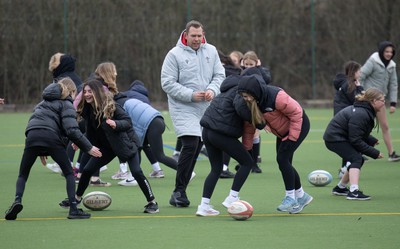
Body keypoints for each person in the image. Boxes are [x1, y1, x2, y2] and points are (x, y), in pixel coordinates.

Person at [4, 78, 102, 220]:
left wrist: (40, 150)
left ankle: (17, 200)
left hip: (32, 137)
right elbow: (72, 130)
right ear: (71, 91)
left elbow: (34, 122)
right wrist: (88, 147)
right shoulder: (66, 103)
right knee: (69, 173)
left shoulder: (41, 103)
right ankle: (73, 209)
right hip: (51, 138)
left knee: (23, 174)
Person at [60, 79, 159, 213]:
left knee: (136, 171)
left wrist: (116, 124)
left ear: (97, 92)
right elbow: (90, 132)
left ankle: (152, 202)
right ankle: (76, 198)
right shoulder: (89, 110)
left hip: (126, 143)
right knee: (88, 169)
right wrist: (80, 142)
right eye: (85, 92)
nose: (87, 94)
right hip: (108, 148)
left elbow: (127, 122)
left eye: (90, 91)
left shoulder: (112, 106)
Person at [161, 20, 225, 207]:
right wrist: (190, 95)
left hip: (206, 107)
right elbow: (167, 83)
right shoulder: (174, 54)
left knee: (197, 147)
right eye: (193, 36)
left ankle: (179, 191)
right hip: (183, 107)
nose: (197, 39)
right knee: (191, 144)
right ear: (186, 35)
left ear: (203, 34)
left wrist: (213, 90)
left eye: (200, 35)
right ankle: (179, 191)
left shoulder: (211, 51)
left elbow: (219, 75)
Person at [235, 74, 313, 214]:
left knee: (282, 159)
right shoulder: (249, 104)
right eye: (242, 96)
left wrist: (292, 137)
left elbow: (297, 113)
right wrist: (247, 150)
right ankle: (301, 196)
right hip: (282, 132)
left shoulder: (276, 96)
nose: (244, 99)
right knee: (284, 162)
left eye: (246, 96)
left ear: (254, 92)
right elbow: (249, 129)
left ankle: (290, 197)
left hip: (298, 126)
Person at [195, 68, 257, 216]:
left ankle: (203, 206)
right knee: (247, 163)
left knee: (216, 169)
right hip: (220, 133)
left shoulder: (227, 88)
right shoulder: (240, 92)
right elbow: (241, 108)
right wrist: (259, 121)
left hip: (207, 131)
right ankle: (232, 198)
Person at [324, 88, 385, 200]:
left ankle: (340, 188)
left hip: (338, 137)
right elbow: (355, 140)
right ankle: (354, 192)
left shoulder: (364, 110)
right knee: (356, 158)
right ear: (374, 101)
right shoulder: (362, 113)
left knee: (358, 159)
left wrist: (371, 140)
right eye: (382, 100)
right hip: (334, 139)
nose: (384, 103)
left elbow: (357, 131)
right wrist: (374, 153)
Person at [360, 41, 400, 162]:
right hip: (368, 100)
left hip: (380, 101)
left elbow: (393, 84)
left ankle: (391, 154)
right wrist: (362, 93)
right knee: (363, 127)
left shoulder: (392, 65)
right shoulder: (373, 61)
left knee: (385, 126)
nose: (389, 54)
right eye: (386, 51)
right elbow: (361, 76)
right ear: (381, 51)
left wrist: (393, 103)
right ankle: (359, 152)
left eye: (391, 52)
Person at [46, 53, 85, 174]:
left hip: (72, 111)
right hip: (80, 111)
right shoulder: (75, 76)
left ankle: (65, 163)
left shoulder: (62, 79)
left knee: (70, 135)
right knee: (78, 136)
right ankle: (81, 162)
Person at [237, 50, 272, 173]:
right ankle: (246, 161)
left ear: (256, 63)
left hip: (256, 106)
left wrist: (258, 67)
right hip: (244, 105)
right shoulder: (241, 72)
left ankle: (254, 163)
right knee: (245, 134)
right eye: (246, 64)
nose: (248, 67)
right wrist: (242, 68)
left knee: (255, 132)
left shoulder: (261, 72)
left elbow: (267, 79)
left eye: (251, 64)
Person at [332, 61, 365, 177]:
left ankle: (346, 166)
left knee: (349, 143)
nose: (360, 73)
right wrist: (360, 87)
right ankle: (345, 169)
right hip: (345, 119)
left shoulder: (347, 83)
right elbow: (360, 99)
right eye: (359, 71)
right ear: (353, 72)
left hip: (343, 117)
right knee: (349, 144)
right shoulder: (349, 85)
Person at [217, 50, 242, 179]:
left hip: (223, 108)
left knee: (224, 138)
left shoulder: (221, 71)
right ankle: (223, 168)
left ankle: (222, 168)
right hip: (229, 109)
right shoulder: (236, 71)